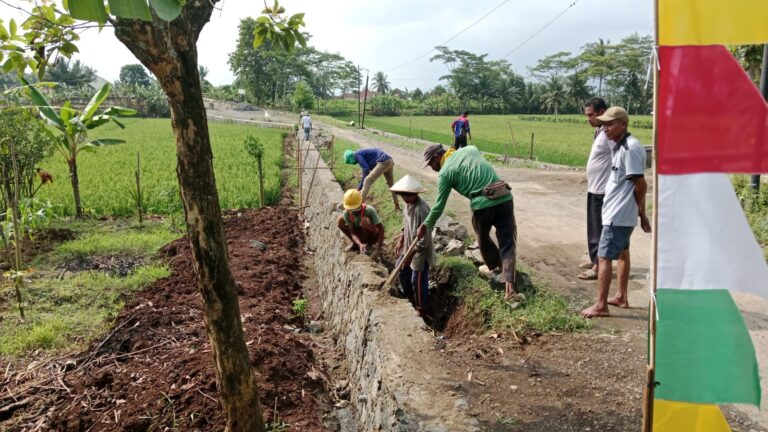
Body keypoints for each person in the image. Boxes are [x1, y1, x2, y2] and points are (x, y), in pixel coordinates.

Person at [416, 144, 522, 303]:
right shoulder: (471, 149)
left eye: (431, 163)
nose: (432, 168)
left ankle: (496, 269)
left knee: (482, 238)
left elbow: (438, 206)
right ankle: (510, 290)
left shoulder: (445, 173)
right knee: (507, 243)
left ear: (437, 157)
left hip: (482, 205)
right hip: (504, 196)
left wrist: (426, 225)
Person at [581, 106, 651, 318]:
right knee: (623, 253)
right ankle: (621, 296)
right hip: (618, 213)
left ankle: (601, 305)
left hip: (618, 216)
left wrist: (642, 213)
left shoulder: (630, 149)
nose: (605, 129)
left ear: (623, 124)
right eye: (603, 125)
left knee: (603, 258)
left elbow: (640, 184)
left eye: (609, 124)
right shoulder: (619, 147)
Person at [391, 175, 436, 315]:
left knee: (417, 281)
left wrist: (409, 256)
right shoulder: (407, 205)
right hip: (408, 247)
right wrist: (401, 239)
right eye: (403, 195)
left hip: (420, 253)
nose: (406, 199)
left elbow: (424, 241)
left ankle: (423, 309)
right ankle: (410, 300)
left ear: (416, 194)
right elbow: (406, 225)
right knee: (402, 272)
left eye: (409, 196)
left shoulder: (422, 209)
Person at [578, 97, 611, 281]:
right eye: (587, 115)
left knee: (600, 229)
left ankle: (599, 266)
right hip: (594, 187)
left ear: (602, 112)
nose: (588, 119)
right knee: (593, 227)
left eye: (591, 115)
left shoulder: (609, 134)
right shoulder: (599, 131)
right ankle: (594, 259)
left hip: (603, 190)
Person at [336, 189, 385, 258]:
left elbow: (381, 229)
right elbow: (352, 232)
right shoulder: (347, 213)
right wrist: (359, 244)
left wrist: (378, 249)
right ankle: (356, 244)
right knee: (340, 221)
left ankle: (369, 244)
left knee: (365, 221)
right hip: (359, 235)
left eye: (356, 209)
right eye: (351, 209)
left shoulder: (369, 210)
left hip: (372, 236)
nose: (354, 212)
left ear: (361, 202)